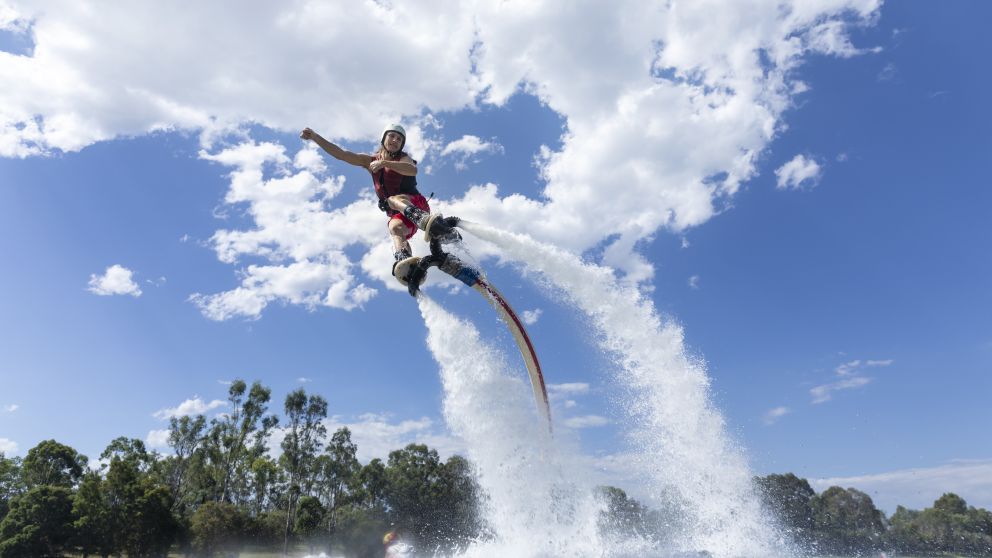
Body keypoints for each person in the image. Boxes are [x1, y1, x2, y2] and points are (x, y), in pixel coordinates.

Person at [300, 125, 459, 275]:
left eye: (399, 139)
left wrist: (384, 163)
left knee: (393, 199)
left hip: (417, 205)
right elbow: (341, 154)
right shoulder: (369, 161)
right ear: (384, 139)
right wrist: (315, 137)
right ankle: (406, 262)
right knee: (394, 227)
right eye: (392, 136)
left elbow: (412, 170)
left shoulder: (403, 158)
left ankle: (423, 220)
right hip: (401, 214)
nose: (395, 140)